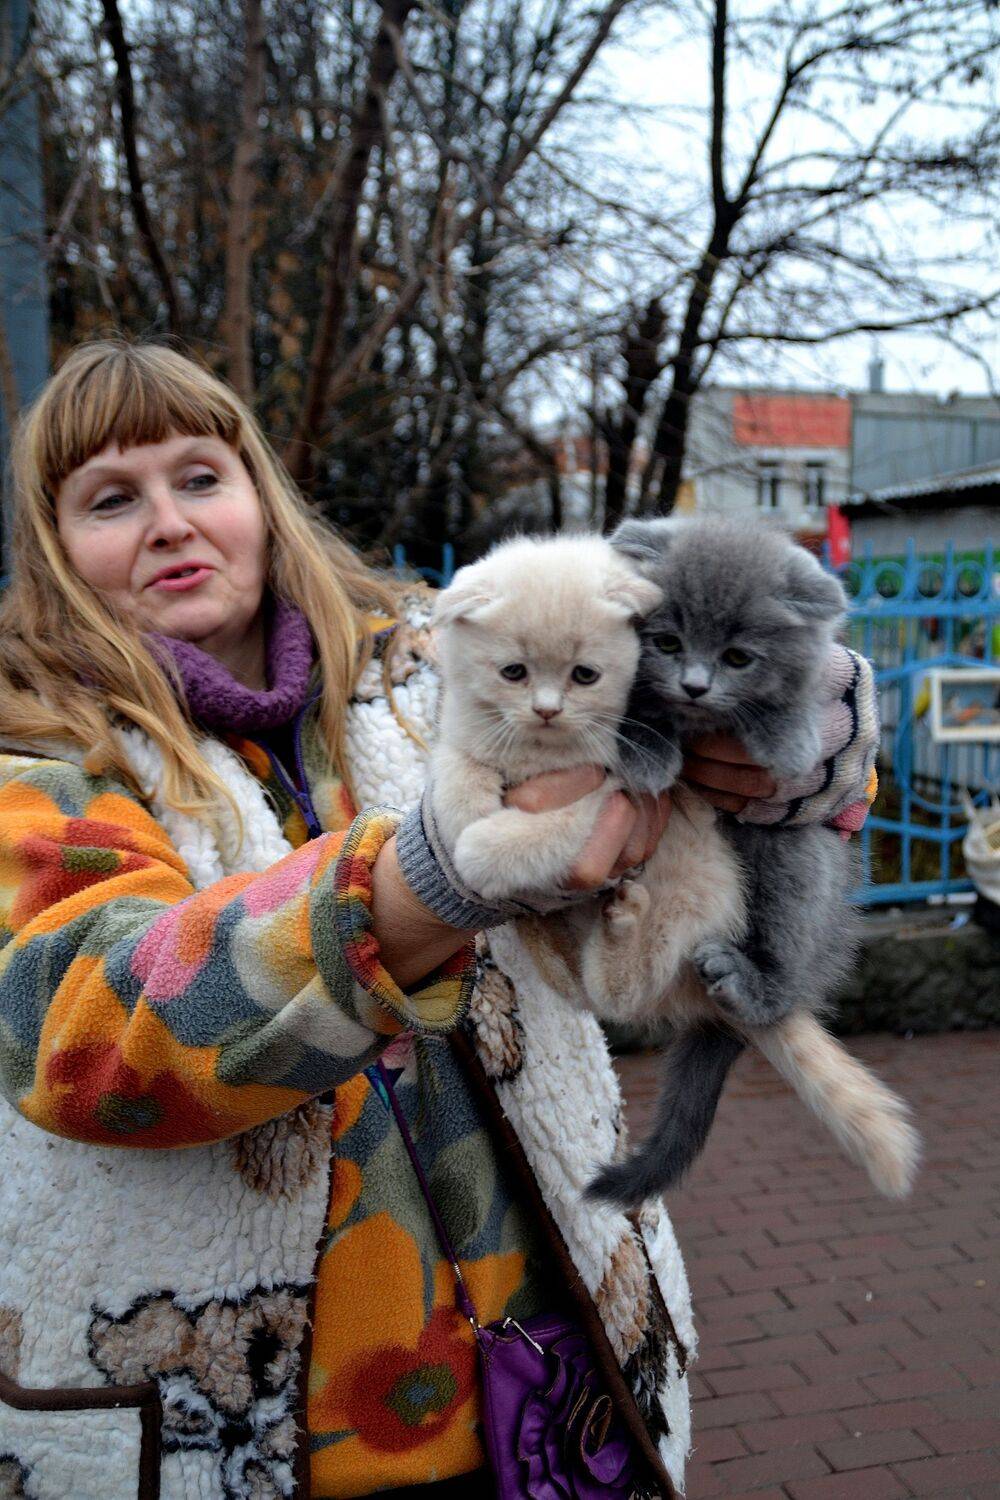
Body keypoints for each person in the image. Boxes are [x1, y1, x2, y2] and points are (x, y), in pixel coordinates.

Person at [0, 341, 877, 1500]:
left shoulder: (448, 649)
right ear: (54, 545)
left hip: (562, 1373)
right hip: (253, 1436)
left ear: (260, 493)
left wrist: (820, 736)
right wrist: (429, 884)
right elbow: (89, 1032)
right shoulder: (37, 755)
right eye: (111, 500)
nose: (170, 523)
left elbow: (703, 669)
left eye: (200, 477)